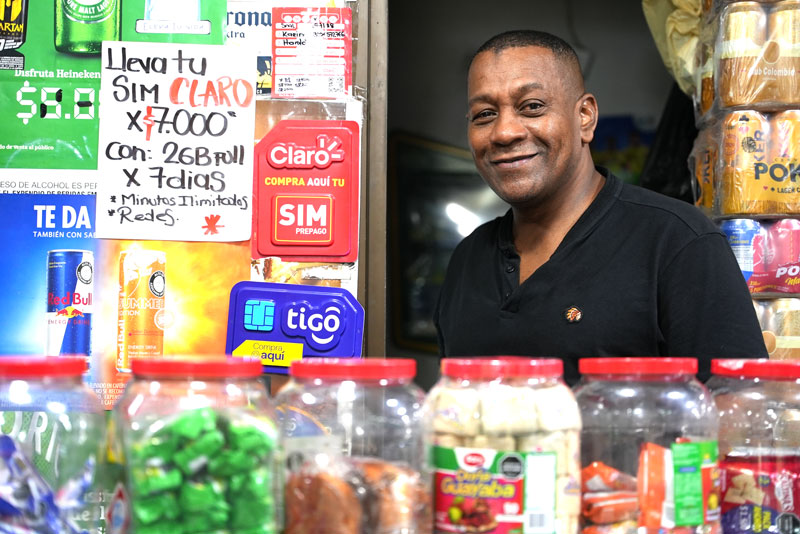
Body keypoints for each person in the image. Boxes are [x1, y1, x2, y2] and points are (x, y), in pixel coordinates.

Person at [433, 30, 767, 384]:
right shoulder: (467, 260)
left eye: (531, 107)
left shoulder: (677, 242)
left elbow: (737, 412)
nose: (504, 132)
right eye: (484, 114)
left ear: (585, 117)